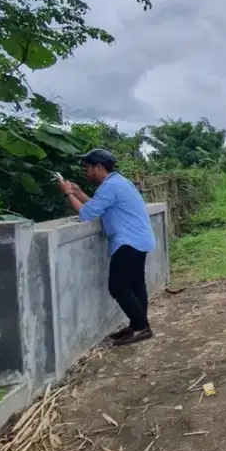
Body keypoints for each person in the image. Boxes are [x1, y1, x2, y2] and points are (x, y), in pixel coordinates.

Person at [56, 148, 157, 346]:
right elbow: (97, 206)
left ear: (99, 167)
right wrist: (78, 193)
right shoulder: (118, 182)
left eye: (87, 168)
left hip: (128, 241)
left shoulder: (110, 187)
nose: (85, 172)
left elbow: (87, 214)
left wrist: (68, 193)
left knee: (118, 287)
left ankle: (141, 327)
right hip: (139, 238)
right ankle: (138, 325)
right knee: (136, 284)